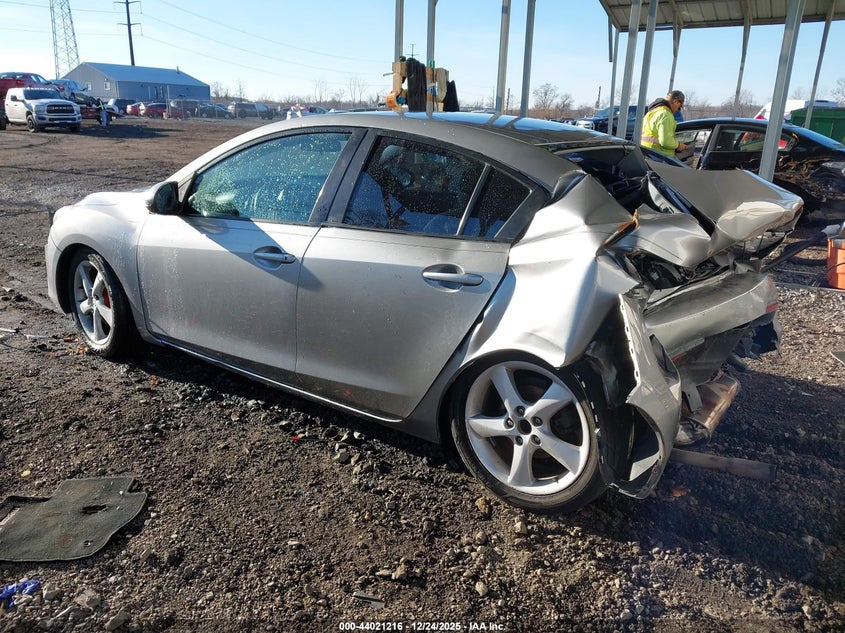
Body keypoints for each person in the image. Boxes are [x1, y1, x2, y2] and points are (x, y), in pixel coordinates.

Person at [640, 90, 686, 157]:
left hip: (647, 153)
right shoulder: (666, 115)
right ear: (675, 101)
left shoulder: (652, 112)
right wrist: (679, 145)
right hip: (660, 157)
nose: (677, 110)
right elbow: (665, 141)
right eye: (679, 107)